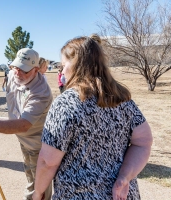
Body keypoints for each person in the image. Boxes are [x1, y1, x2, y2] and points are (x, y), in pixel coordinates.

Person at [32, 35, 153, 200]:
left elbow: (48, 162)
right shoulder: (122, 99)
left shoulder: (65, 104)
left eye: (63, 65)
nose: (62, 71)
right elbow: (144, 141)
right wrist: (124, 177)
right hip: (121, 195)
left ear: (75, 65)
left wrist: (38, 192)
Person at [0, 48, 53, 200]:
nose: (17, 73)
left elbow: (24, 124)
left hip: (37, 146)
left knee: (39, 188)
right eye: (16, 67)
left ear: (36, 70)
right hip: (24, 142)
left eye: (24, 70)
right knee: (30, 176)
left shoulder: (41, 92)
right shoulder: (14, 74)